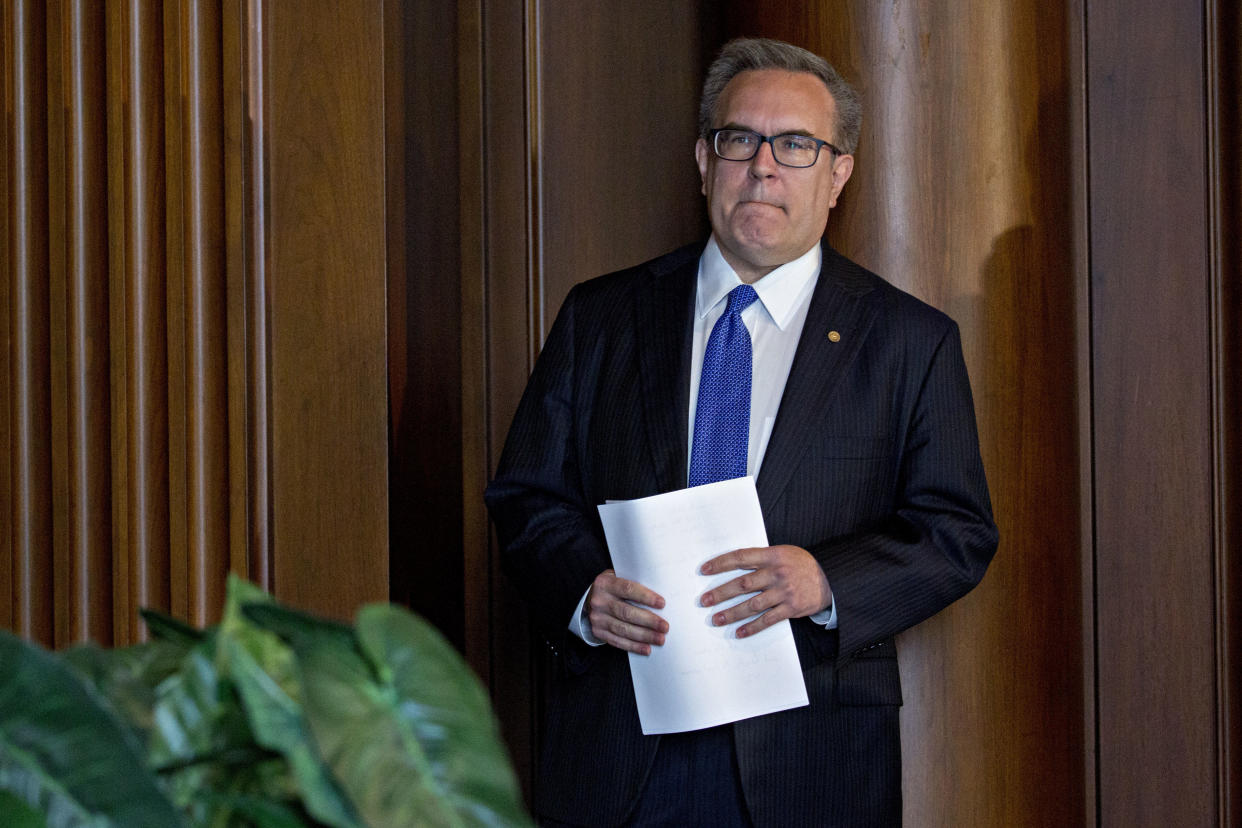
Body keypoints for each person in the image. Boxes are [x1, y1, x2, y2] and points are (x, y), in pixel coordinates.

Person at [485, 37, 997, 828]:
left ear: (839, 174)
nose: (763, 165)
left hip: (809, 758)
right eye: (739, 139)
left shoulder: (907, 341)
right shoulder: (602, 317)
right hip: (621, 748)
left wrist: (825, 582)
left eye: (796, 144)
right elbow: (527, 498)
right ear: (703, 160)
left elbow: (956, 531)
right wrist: (584, 593)